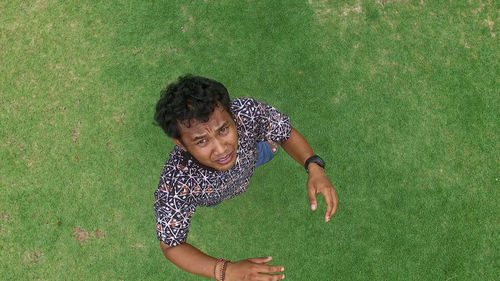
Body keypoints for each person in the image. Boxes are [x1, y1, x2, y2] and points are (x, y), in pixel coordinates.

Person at [154, 75, 338, 281]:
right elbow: (171, 246)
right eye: (202, 141)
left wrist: (313, 166)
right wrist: (225, 271)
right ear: (180, 143)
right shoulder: (176, 184)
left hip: (251, 158)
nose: (221, 149)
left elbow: (284, 133)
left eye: (223, 129)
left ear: (232, 115)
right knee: (217, 197)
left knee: (267, 149)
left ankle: (266, 149)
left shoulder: (246, 113)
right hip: (214, 194)